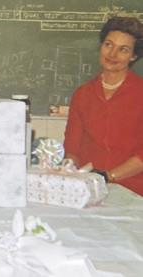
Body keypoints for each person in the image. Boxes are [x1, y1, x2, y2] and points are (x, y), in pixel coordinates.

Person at [64, 16, 143, 195]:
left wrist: (108, 176)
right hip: (89, 188)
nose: (112, 54)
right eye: (108, 45)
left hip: (134, 191)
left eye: (123, 49)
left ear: (133, 56)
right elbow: (72, 148)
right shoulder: (82, 94)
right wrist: (68, 170)